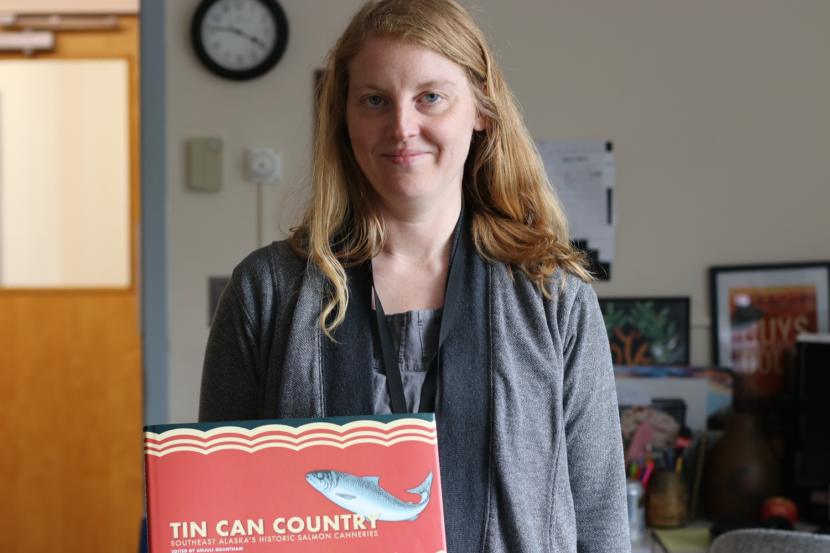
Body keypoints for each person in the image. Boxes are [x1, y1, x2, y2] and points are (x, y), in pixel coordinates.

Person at [199, 0, 629, 551]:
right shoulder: (267, 291)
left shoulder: (553, 295)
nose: (402, 127)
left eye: (430, 97)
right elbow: (218, 510)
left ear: (480, 110)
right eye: (374, 100)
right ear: (344, 118)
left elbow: (599, 521)